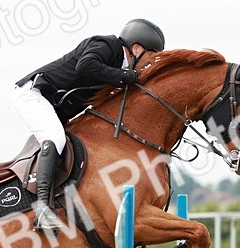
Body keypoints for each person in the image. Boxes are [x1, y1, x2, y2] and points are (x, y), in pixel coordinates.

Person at [12, 18, 166, 232]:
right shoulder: (108, 45)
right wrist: (123, 76)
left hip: (54, 105)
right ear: (136, 48)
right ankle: (42, 210)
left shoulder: (122, 66)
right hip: (33, 94)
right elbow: (85, 65)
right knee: (55, 138)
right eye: (150, 57)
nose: (149, 64)